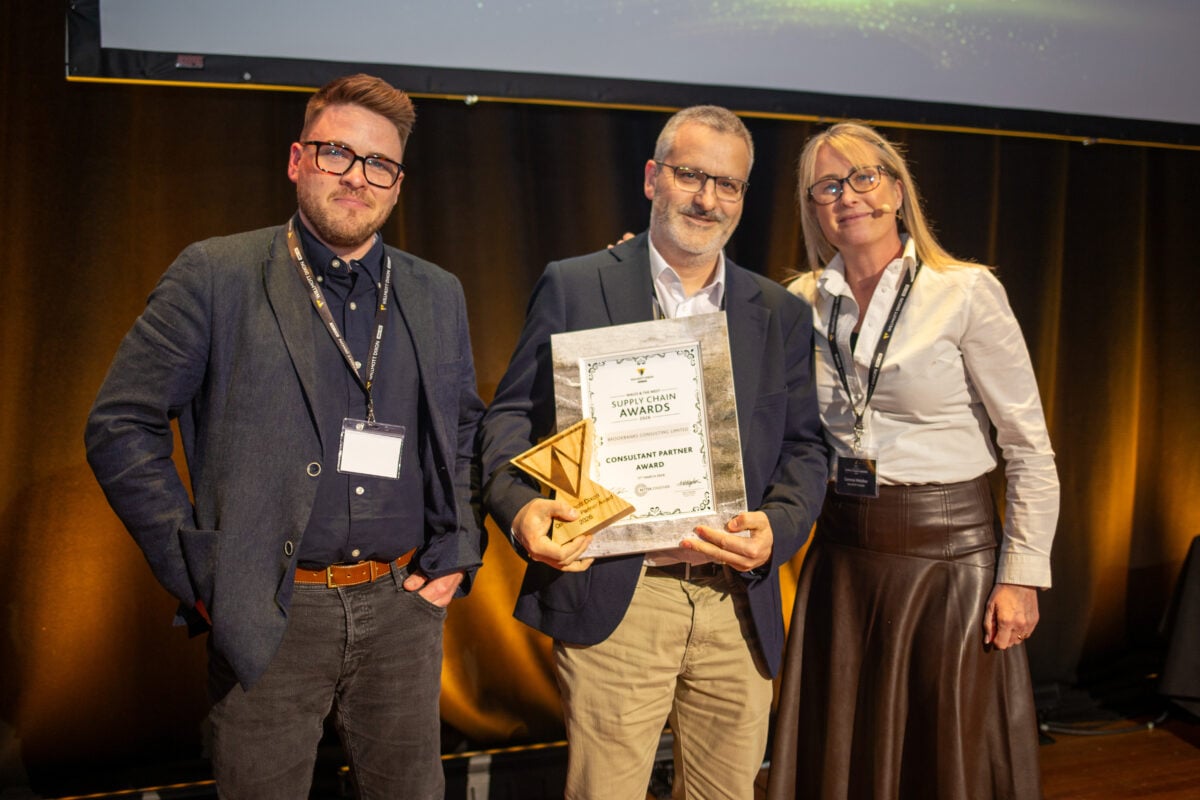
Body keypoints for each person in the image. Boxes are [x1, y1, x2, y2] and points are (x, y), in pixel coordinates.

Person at [84, 74, 485, 799]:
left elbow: (462, 429)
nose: (356, 177)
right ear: (297, 161)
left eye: (378, 164)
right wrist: (204, 570)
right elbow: (120, 424)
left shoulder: (436, 292)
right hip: (269, 614)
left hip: (403, 608)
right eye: (336, 153)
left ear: (397, 184)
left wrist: (456, 551)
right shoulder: (218, 274)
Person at [478, 105, 828, 799]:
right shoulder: (577, 284)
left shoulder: (778, 311)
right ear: (652, 178)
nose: (707, 198)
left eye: (726, 184)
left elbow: (804, 450)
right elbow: (509, 418)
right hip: (621, 596)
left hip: (735, 604)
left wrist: (780, 528)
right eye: (691, 174)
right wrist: (521, 513)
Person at [767, 122, 1059, 799]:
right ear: (813, 208)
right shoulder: (800, 302)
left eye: (866, 177)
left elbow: (1028, 448)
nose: (850, 196)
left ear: (898, 190)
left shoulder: (964, 291)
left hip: (949, 564)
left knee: (942, 763)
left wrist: (1022, 577)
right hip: (841, 558)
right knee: (845, 760)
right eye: (829, 186)